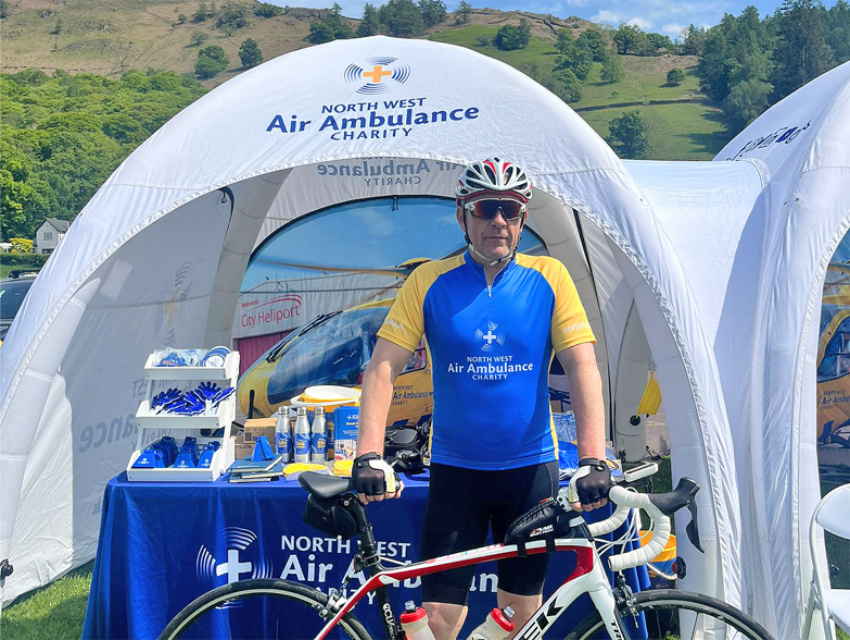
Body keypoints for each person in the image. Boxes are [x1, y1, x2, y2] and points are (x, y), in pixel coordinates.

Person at [352, 158, 609, 638]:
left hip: (530, 472)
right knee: (438, 620)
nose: (498, 222)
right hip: (457, 474)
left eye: (510, 211)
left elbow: (582, 366)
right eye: (486, 209)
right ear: (462, 215)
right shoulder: (428, 281)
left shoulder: (550, 277)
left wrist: (594, 457)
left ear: (523, 219)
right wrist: (368, 452)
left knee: (519, 616)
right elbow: (383, 366)